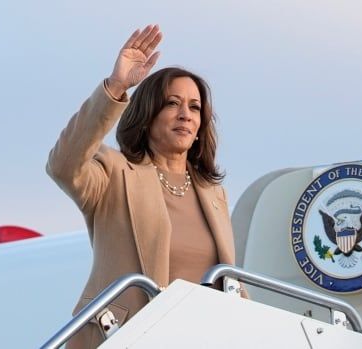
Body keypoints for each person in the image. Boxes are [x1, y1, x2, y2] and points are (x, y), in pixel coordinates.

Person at [47, 24, 240, 348]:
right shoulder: (115, 172)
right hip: (125, 338)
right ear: (148, 114)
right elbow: (63, 165)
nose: (185, 115)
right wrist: (115, 87)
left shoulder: (214, 193)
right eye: (171, 104)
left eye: (194, 107)